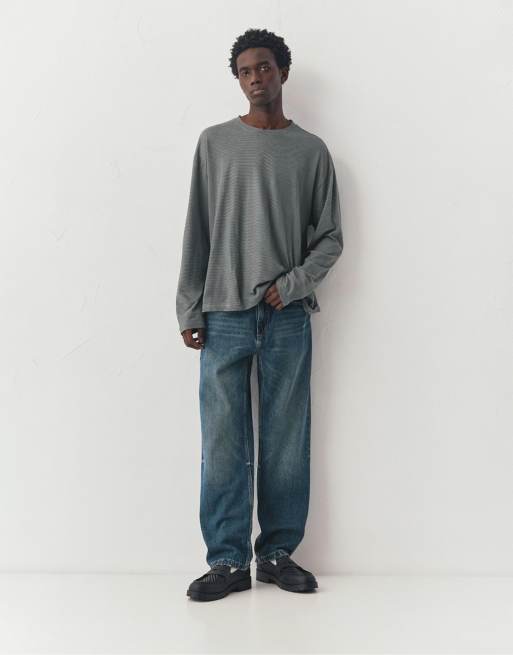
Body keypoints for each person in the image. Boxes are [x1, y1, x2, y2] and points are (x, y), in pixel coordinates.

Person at [176, 28, 343, 602]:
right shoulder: (214, 143)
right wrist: (189, 306)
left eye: (264, 67)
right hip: (222, 312)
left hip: (287, 316)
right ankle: (226, 561)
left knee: (286, 440)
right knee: (223, 442)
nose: (255, 78)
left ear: (283, 72)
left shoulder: (311, 151)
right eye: (245, 71)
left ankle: (276, 554)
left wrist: (292, 284)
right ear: (238, 79)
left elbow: (329, 237)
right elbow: (197, 229)